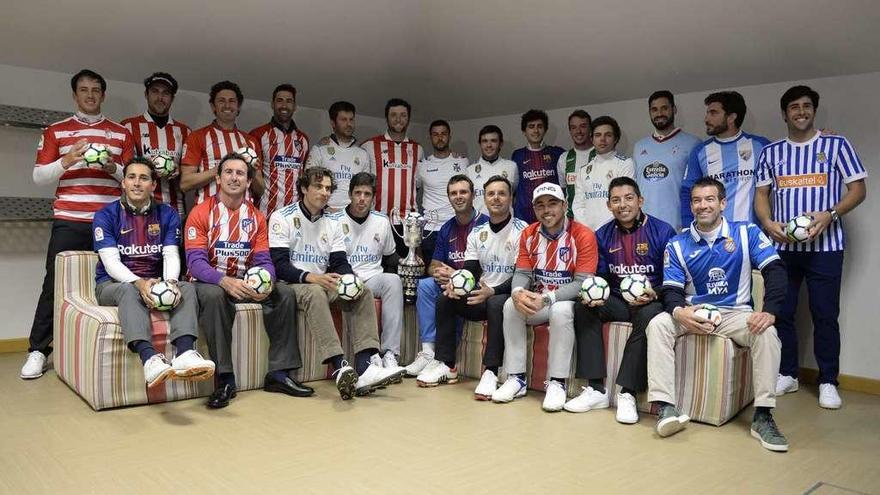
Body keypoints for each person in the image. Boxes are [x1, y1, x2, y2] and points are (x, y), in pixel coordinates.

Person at [647, 177, 789, 452]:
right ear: (691, 206)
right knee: (658, 324)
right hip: (695, 312)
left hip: (735, 314)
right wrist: (680, 313)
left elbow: (775, 271)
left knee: (768, 333)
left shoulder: (747, 232)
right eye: (697, 200)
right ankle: (665, 407)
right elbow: (672, 290)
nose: (703, 205)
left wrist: (770, 311)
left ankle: (763, 416)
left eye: (709, 199)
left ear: (722, 203)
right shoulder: (677, 244)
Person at [754, 85, 867, 410]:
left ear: (813, 110)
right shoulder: (771, 153)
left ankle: (829, 381)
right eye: (794, 107)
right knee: (781, 313)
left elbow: (858, 189)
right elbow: (762, 195)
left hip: (826, 249)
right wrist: (768, 223)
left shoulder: (836, 144)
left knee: (825, 315)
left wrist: (830, 214)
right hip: (784, 249)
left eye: (806, 106)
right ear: (785, 113)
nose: (800, 111)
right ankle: (787, 373)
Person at [21, 69, 135, 380]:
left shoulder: (120, 133)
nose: (90, 95)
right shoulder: (56, 131)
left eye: (95, 90)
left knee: (116, 281)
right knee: (54, 283)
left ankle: (121, 344)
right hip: (70, 219)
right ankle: (37, 350)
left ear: (103, 95)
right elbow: (39, 176)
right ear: (74, 95)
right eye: (83, 90)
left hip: (111, 221)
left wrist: (112, 167)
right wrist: (68, 160)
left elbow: (132, 178)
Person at [185, 153, 311, 409]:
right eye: (228, 172)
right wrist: (224, 281)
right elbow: (195, 263)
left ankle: (279, 374)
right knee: (213, 296)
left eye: (240, 173)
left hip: (246, 282)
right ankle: (225, 380)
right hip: (210, 282)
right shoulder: (200, 213)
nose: (234, 177)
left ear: (248, 180)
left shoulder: (256, 217)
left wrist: (265, 282)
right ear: (218, 178)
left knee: (284, 293)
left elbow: (265, 260)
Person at [269, 167, 404, 400]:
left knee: (362, 291)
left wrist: (348, 279)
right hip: (292, 284)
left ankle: (365, 366)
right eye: (318, 187)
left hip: (322, 282)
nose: (324, 192)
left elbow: (339, 262)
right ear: (303, 188)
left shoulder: (332, 222)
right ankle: (339, 366)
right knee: (314, 293)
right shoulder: (282, 217)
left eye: (328, 188)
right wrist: (310, 277)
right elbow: (279, 265)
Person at [564, 177, 676, 424]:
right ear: (608, 205)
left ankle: (627, 393)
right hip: (616, 298)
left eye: (628, 198)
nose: (622, 204)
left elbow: (673, 277)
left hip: (651, 298)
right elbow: (601, 277)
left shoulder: (663, 230)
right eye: (616, 200)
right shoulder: (602, 235)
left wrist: (654, 292)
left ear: (640, 201)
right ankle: (596, 389)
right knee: (583, 306)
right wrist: (592, 293)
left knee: (650, 317)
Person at [93, 158, 214, 386]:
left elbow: (170, 254)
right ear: (123, 183)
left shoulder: (167, 214)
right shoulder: (105, 215)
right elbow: (110, 263)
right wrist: (138, 283)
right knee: (128, 291)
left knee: (186, 287)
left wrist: (170, 282)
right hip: (111, 285)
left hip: (154, 280)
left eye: (144, 178)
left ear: (153, 186)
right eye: (131, 177)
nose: (137, 183)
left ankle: (185, 354)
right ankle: (150, 360)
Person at [416, 176, 527, 400]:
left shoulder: (523, 230)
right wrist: (457, 284)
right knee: (447, 298)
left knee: (497, 303)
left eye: (502, 193)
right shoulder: (478, 232)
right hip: (482, 293)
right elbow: (471, 269)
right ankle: (447, 366)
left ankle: (490, 371)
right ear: (484, 199)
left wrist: (493, 291)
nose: (496, 198)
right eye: (491, 194)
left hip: (509, 294)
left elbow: (522, 275)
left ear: (511, 198)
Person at [494, 183, 598, 412]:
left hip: (566, 301)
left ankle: (557, 383)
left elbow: (583, 282)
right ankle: (516, 378)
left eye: (552, 204)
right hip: (540, 299)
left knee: (560, 311)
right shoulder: (529, 233)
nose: (546, 210)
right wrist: (518, 292)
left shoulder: (583, 234)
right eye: (540, 205)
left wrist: (548, 298)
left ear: (564, 205)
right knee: (511, 305)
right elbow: (521, 273)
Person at [405, 175, 489, 377]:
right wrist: (439, 273)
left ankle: (445, 359)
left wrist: (457, 275)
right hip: (449, 283)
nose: (458, 197)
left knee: (454, 292)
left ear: (472, 195)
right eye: (453, 193)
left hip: (478, 285)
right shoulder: (446, 228)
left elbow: (488, 270)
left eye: (463, 192)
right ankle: (428, 353)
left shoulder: (485, 225)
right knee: (425, 285)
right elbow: (432, 265)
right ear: (449, 198)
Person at [330, 172, 406, 373]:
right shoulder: (334, 220)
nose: (362, 199)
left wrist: (409, 262)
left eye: (367, 194)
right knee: (355, 289)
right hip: (344, 280)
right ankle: (370, 355)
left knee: (393, 280)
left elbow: (391, 256)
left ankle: (390, 354)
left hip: (372, 278)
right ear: (350, 194)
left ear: (373, 198)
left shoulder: (381, 221)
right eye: (357, 193)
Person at [680, 91, 770, 226]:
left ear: (731, 117)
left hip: (752, 235)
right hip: (713, 236)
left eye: (713, 113)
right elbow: (687, 192)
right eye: (707, 113)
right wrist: (688, 228)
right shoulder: (700, 151)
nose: (706, 119)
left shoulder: (761, 146)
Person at [180, 80, 264, 205]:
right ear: (213, 106)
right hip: (208, 215)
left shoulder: (250, 142)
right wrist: (219, 169)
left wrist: (253, 172)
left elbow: (260, 190)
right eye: (221, 101)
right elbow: (185, 184)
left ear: (238, 106)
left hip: (244, 217)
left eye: (232, 101)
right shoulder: (197, 137)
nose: (227, 105)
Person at [121, 72, 191, 217]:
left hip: (175, 209)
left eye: (165, 93)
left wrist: (180, 170)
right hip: (137, 209)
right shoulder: (128, 126)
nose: (160, 98)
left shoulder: (185, 131)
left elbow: (191, 173)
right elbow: (123, 169)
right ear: (146, 94)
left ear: (172, 98)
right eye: (155, 91)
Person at [361, 98, 425, 257]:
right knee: (377, 268)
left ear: (408, 118)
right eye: (394, 115)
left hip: (408, 224)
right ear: (387, 118)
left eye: (403, 115)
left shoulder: (418, 149)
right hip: (378, 219)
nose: (398, 119)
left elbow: (416, 184)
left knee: (408, 272)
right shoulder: (369, 146)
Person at [632, 91, 701, 231]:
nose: (659, 113)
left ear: (674, 109)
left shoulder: (693, 143)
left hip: (678, 226)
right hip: (644, 226)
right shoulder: (639, 146)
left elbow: (698, 190)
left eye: (664, 108)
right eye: (654, 109)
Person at [249, 83, 310, 215]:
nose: (284, 105)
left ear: (295, 106)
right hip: (264, 213)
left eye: (289, 101)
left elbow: (304, 177)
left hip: (295, 215)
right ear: (272, 104)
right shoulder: (258, 135)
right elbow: (253, 176)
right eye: (279, 100)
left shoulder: (303, 139)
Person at [416, 120, 470, 262]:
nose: (440, 138)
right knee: (432, 272)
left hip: (457, 226)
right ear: (430, 137)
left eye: (443, 134)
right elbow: (413, 191)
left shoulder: (463, 162)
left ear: (449, 136)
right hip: (430, 229)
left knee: (457, 273)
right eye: (435, 134)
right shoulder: (422, 165)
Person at [571, 116, 635, 230]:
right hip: (589, 234)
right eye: (598, 135)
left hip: (616, 231)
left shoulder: (625, 164)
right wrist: (588, 231)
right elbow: (578, 206)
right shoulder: (584, 170)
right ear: (592, 139)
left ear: (615, 139)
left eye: (608, 135)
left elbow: (625, 202)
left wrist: (605, 231)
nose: (602, 139)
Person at [305, 101, 370, 212]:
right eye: (343, 120)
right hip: (325, 213)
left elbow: (366, 188)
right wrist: (326, 208)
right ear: (333, 123)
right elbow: (308, 182)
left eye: (351, 119)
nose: (348, 124)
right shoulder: (320, 149)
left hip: (353, 215)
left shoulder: (362, 154)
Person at [511, 109, 565, 224]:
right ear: (524, 131)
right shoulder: (517, 156)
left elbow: (565, 187)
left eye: (539, 126)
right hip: (524, 218)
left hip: (552, 217)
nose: (536, 130)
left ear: (545, 130)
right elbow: (513, 188)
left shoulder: (557, 153)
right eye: (531, 126)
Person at [467, 125, 518, 216]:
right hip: (478, 225)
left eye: (493, 141)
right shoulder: (469, 171)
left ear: (500, 144)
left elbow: (516, 197)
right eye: (485, 141)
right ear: (480, 144)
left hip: (506, 225)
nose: (489, 145)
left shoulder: (512, 167)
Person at [556, 110, 593, 218]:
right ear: (570, 130)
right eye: (573, 127)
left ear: (590, 128)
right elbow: (563, 191)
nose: (578, 131)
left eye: (583, 126)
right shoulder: (564, 158)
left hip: (597, 220)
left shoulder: (600, 154)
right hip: (572, 221)